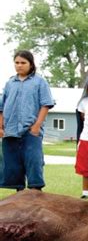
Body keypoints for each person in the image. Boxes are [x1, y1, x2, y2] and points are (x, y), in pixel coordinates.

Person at [0, 50, 54, 191]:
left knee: (33, 163)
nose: (19, 65)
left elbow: (46, 104)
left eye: (23, 63)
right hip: (10, 131)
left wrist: (36, 126)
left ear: (31, 64)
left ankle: (36, 194)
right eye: (17, 62)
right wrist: (1, 127)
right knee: (13, 166)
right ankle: (19, 197)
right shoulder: (10, 83)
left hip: (30, 131)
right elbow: (1, 107)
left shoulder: (39, 82)